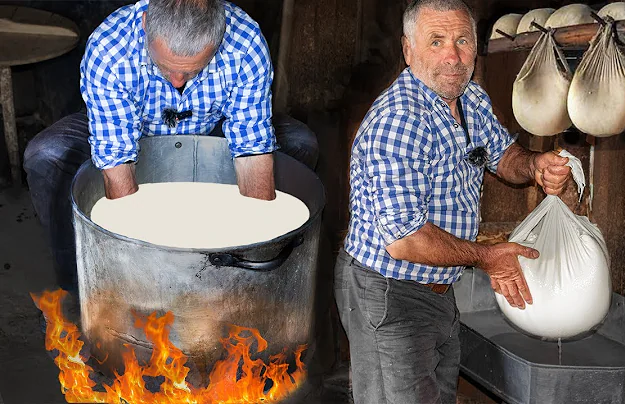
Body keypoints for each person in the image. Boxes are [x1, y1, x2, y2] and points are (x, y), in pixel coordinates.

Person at [334, 0, 572, 403]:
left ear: (475, 47)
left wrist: (534, 166)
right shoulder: (399, 120)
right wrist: (485, 257)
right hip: (390, 293)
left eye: (462, 40)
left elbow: (502, 155)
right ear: (408, 50)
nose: (452, 55)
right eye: (436, 41)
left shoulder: (471, 99)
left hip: (439, 291)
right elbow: (405, 239)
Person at [23, 0, 319, 296]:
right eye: (165, 68)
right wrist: (145, 268)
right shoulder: (110, 46)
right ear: (144, 26)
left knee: (299, 145)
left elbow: (252, 147)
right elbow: (117, 163)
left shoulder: (245, 40)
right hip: (133, 129)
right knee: (47, 155)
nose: (178, 81)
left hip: (212, 127)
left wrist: (254, 250)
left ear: (220, 37)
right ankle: (83, 286)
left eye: (192, 72)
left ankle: (255, 279)